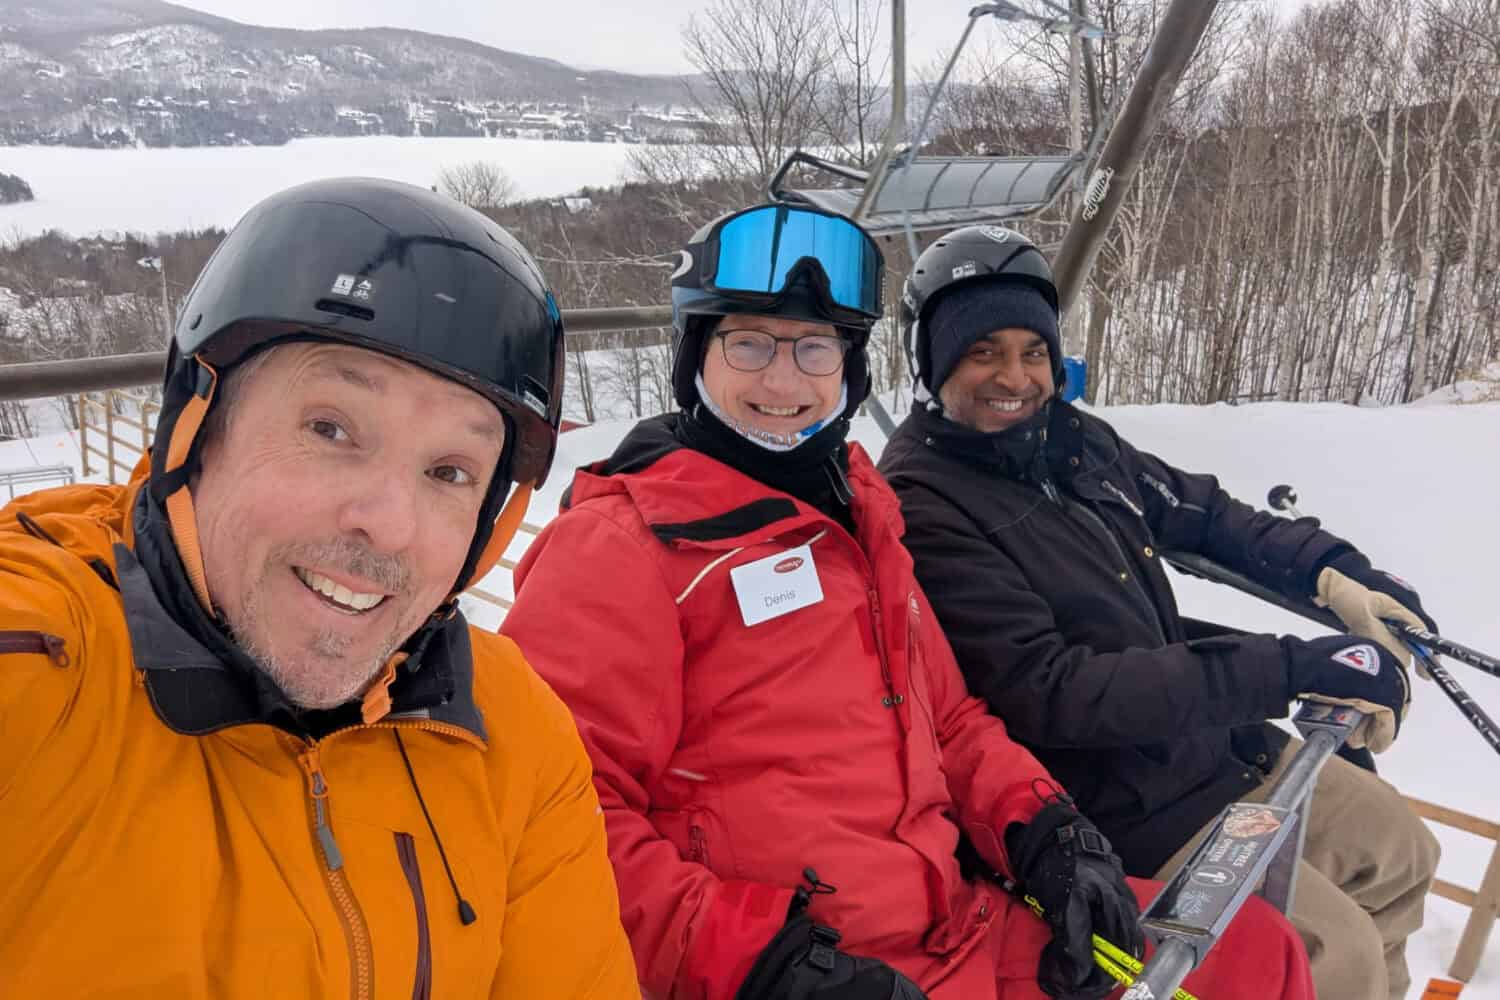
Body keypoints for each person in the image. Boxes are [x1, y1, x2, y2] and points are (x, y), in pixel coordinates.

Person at [501, 203, 1315, 1000]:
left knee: (1257, 957)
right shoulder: (623, 547)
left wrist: (1046, 830)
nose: (784, 379)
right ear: (695, 359)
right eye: (747, 343)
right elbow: (558, 818)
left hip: (956, 930)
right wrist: (765, 961)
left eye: (816, 348)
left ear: (849, 370)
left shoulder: (859, 515)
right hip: (796, 962)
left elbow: (949, 721)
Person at [0, 178, 638, 998]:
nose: (390, 524)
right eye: (331, 429)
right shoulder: (46, 659)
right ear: (197, 429)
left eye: (449, 471)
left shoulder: (511, 736)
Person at [878, 224, 1442, 1000]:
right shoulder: (922, 501)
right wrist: (1286, 669)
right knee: (1329, 952)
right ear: (933, 364)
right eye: (983, 353)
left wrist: (1334, 572)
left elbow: (1203, 515)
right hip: (1114, 804)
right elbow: (1053, 689)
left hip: (1205, 745)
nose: (1015, 376)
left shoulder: (1073, 443)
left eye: (1032, 351)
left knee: (1400, 851)